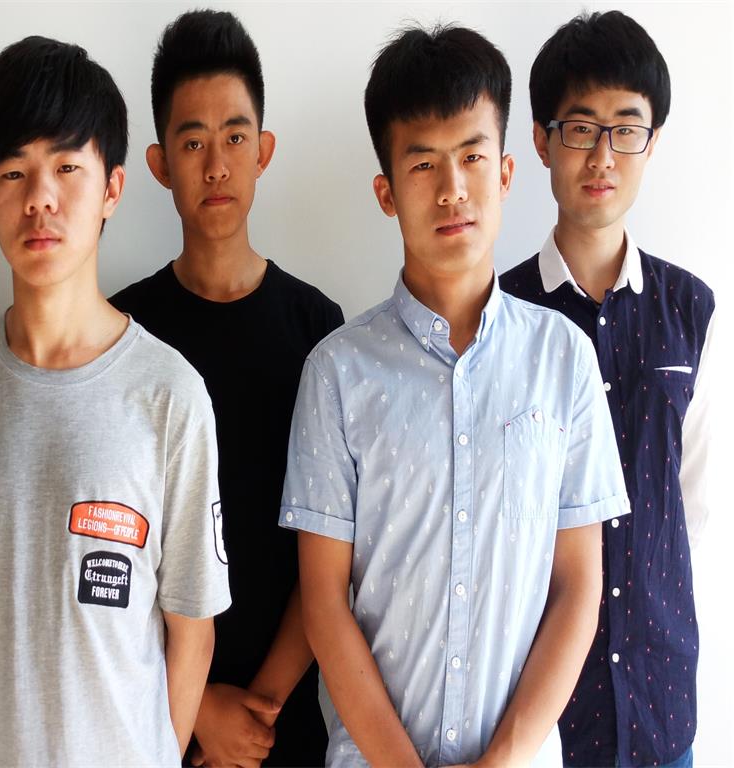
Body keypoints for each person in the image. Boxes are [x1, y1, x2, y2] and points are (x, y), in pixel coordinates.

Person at [279, 25, 631, 766]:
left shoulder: (564, 358)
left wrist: (503, 758)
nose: (452, 189)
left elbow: (578, 588)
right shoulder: (337, 372)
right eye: (423, 163)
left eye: (472, 156)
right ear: (386, 192)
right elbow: (324, 601)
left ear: (505, 172)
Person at [0, 36, 231, 766]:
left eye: (67, 167)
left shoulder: (170, 395)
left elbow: (192, 631)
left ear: (112, 187)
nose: (40, 198)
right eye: (14, 172)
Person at [111, 10, 342, 766]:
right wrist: (199, 707)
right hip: (156, 715)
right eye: (192, 142)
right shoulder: (120, 333)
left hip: (289, 720)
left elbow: (332, 546)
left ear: (263, 151)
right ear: (158, 163)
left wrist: (259, 709)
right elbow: (107, 546)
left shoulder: (319, 329)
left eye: (235, 138)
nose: (216, 165)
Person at [501, 12, 716, 768]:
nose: (602, 155)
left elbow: (693, 504)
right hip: (535, 712)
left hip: (662, 698)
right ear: (541, 140)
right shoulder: (500, 315)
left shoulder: (692, 312)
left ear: (651, 142)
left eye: (625, 129)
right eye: (581, 128)